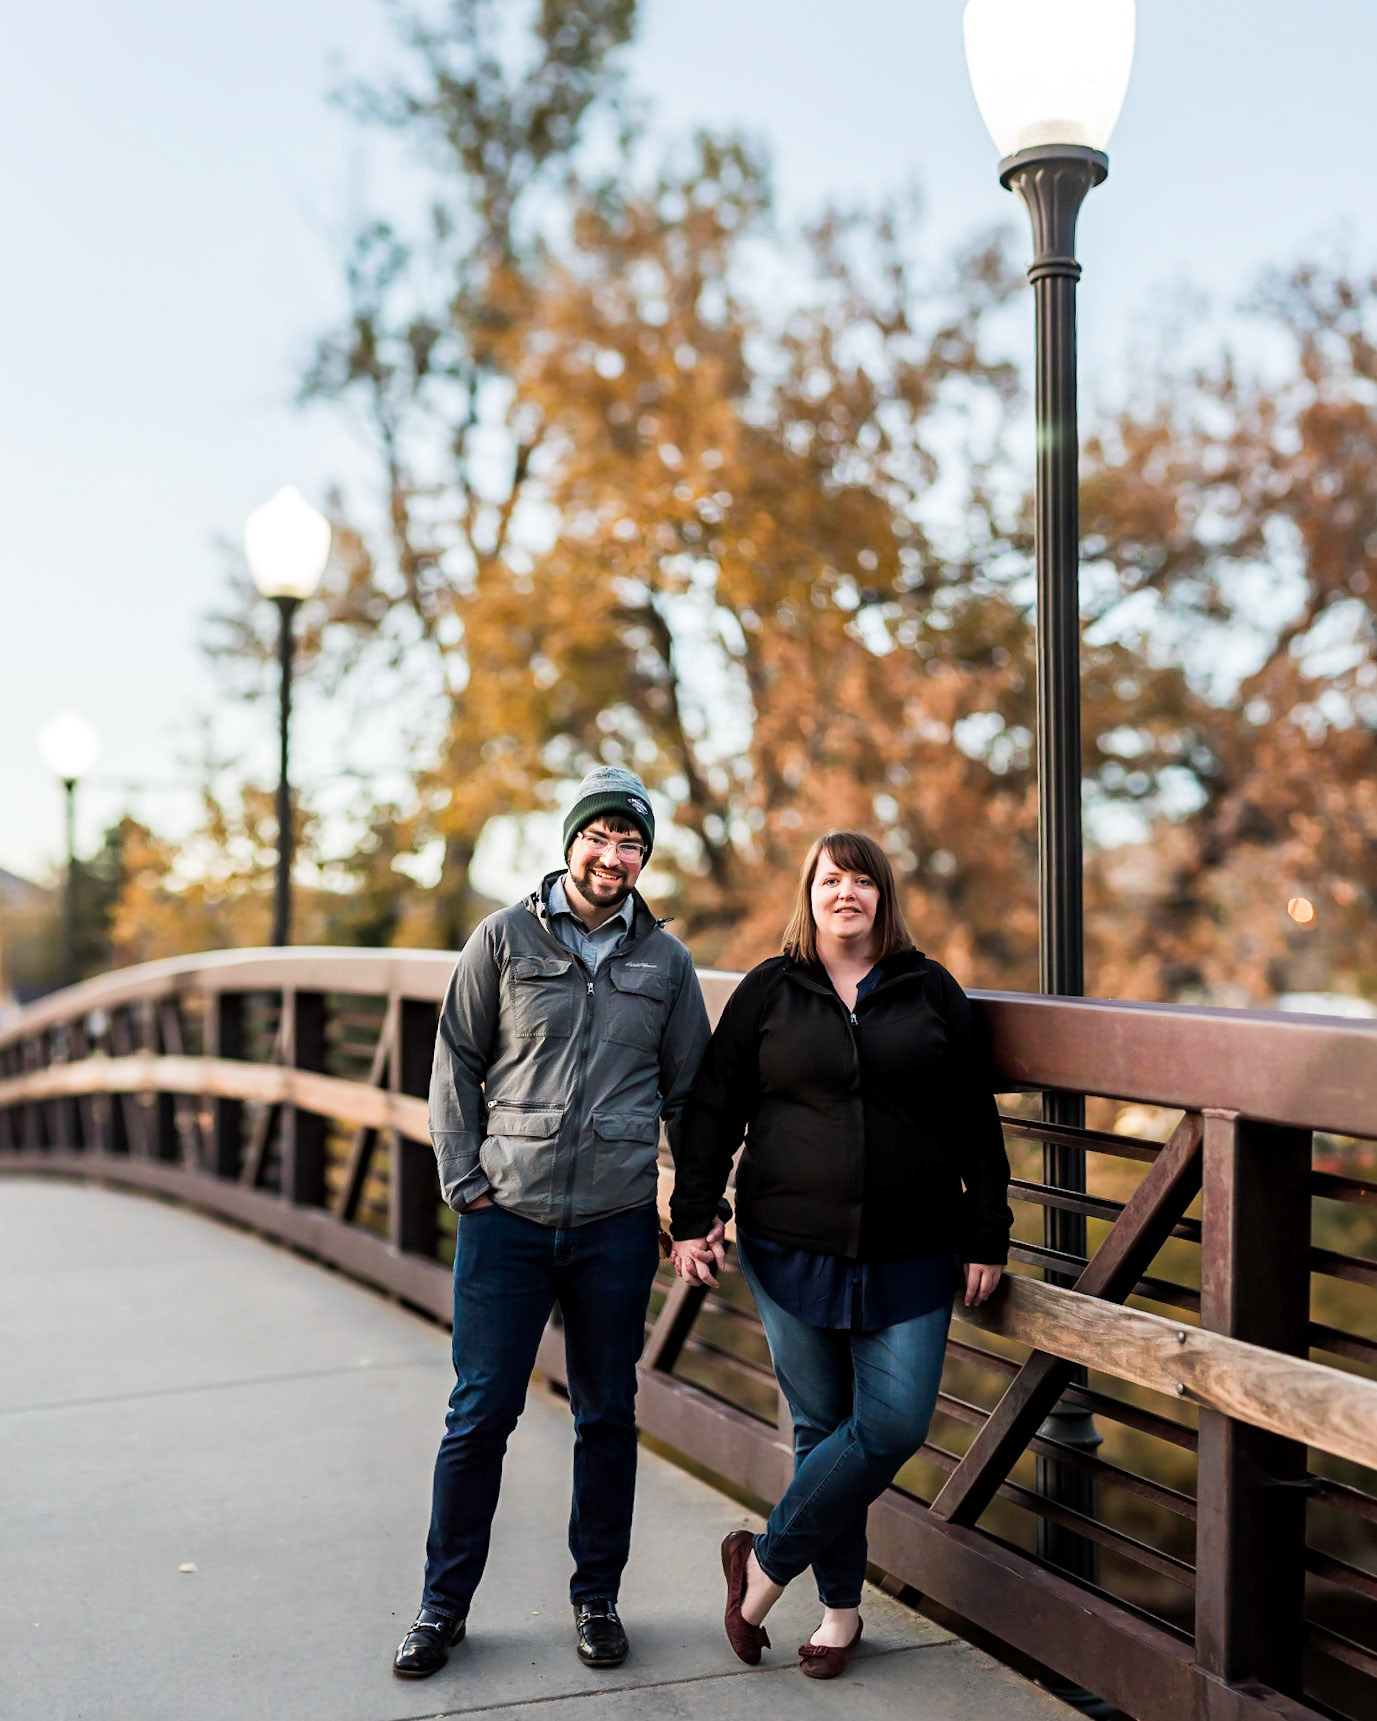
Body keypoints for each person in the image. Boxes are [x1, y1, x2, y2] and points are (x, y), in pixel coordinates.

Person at [393, 766, 714, 1680]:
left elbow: (690, 1094)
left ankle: (597, 1599)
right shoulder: (502, 938)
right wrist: (464, 1178)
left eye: (632, 844)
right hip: (507, 1216)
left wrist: (691, 1207)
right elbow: (455, 1058)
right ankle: (440, 1608)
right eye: (601, 837)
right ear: (571, 839)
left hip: (614, 1218)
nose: (614, 856)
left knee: (607, 1415)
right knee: (479, 1414)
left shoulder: (666, 962)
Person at [669, 830, 1011, 1680]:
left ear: (882, 895)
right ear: (809, 892)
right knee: (823, 1431)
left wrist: (987, 1229)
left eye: (861, 879)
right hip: (791, 1247)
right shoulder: (768, 989)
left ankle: (763, 1564)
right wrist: (693, 1213)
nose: (845, 892)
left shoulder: (930, 990)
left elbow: (974, 1116)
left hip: (913, 1248)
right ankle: (840, 1611)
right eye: (831, 878)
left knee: (890, 1424)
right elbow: (713, 1108)